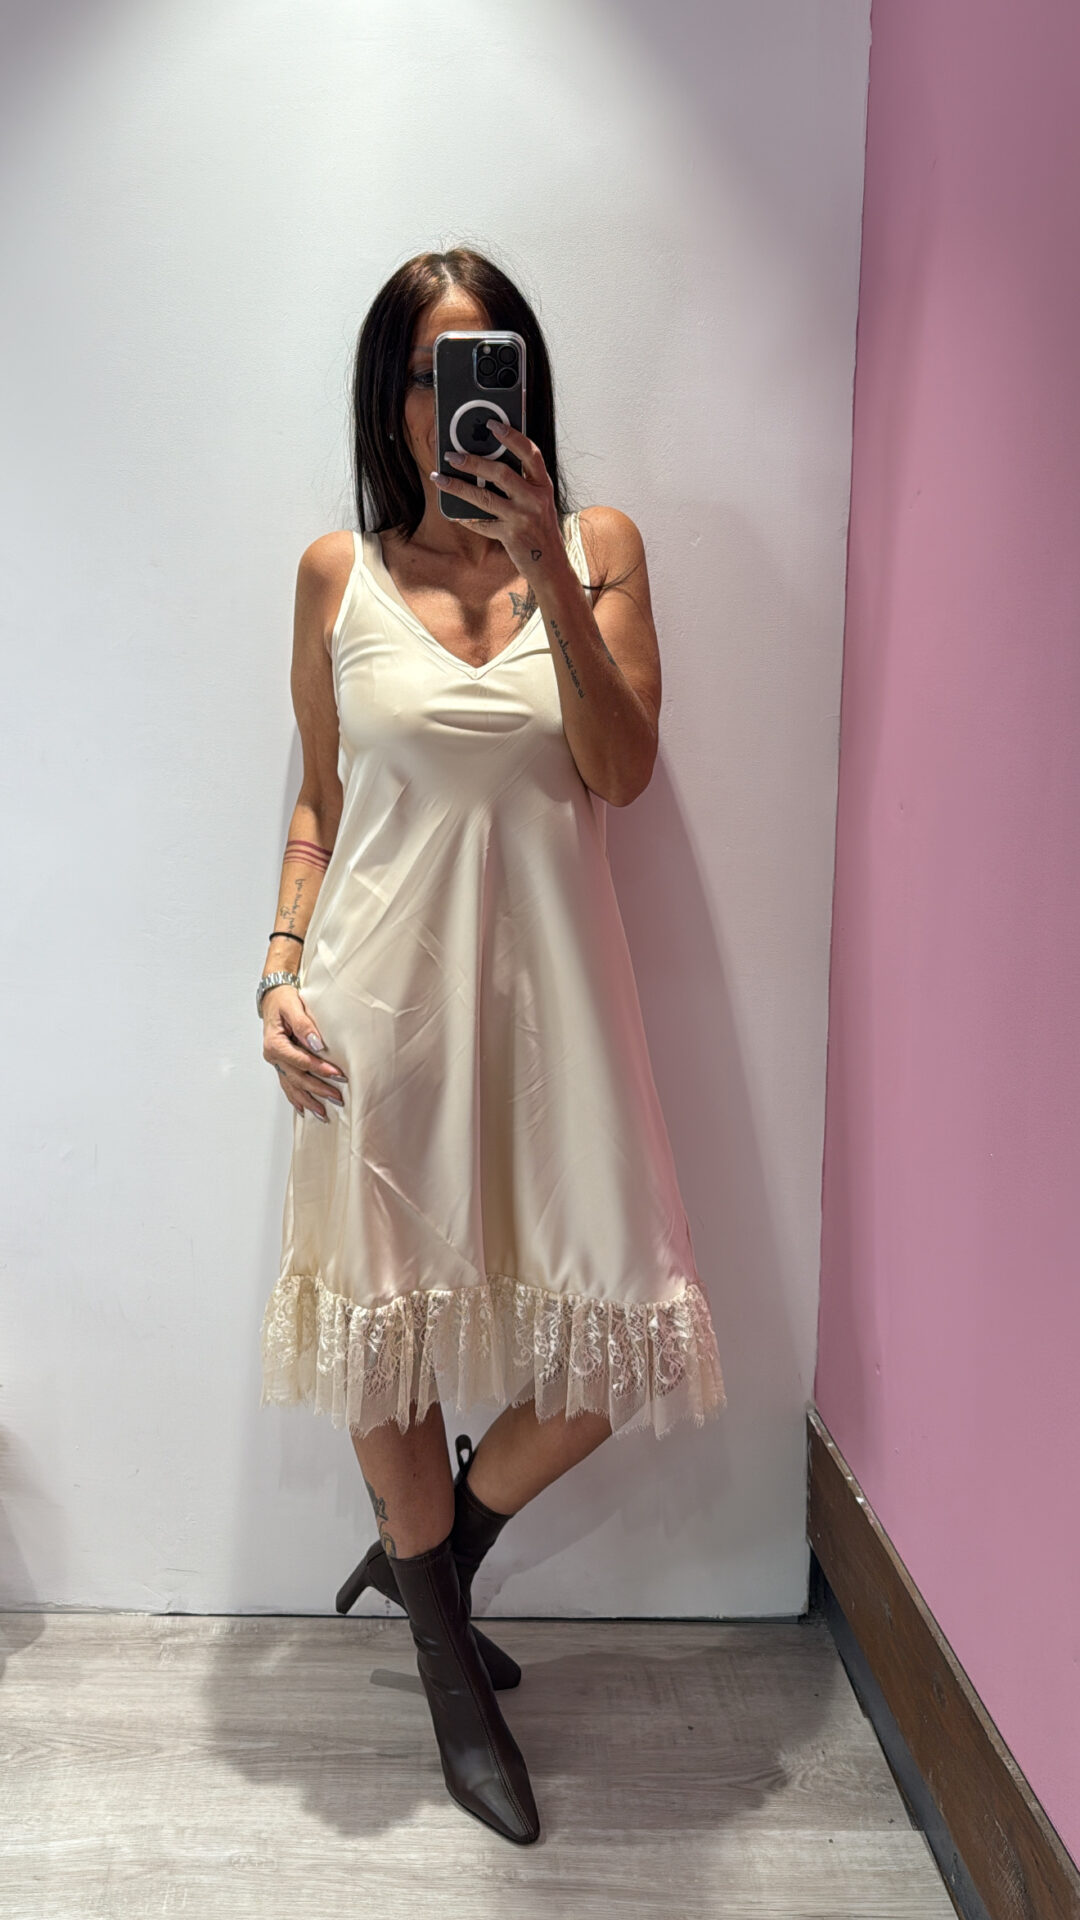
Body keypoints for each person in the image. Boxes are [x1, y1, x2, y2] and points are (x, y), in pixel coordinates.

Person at [257, 247, 726, 1845]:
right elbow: (322, 800)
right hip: (370, 1017)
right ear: (389, 398)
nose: (452, 399)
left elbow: (620, 770)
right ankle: (453, 1682)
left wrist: (548, 572)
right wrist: (275, 970)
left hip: (557, 1024)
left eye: (485, 363)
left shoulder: (600, 550)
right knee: (385, 1337)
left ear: (521, 387)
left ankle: (430, 1561)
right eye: (425, 371)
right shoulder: (337, 573)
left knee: (619, 1337)